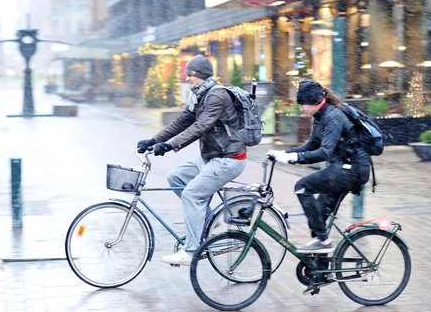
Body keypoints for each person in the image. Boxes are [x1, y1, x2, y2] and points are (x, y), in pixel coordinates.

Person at [136, 54, 247, 266]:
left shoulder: (216, 96)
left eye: (191, 75)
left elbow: (200, 126)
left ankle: (192, 250)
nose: (187, 78)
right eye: (187, 74)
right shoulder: (199, 95)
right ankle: (208, 223)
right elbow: (182, 121)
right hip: (212, 157)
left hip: (229, 159)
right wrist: (153, 140)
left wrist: (170, 146)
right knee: (176, 177)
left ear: (203, 76)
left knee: (191, 195)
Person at [267, 81, 371, 253]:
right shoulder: (320, 117)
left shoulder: (333, 117)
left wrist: (293, 158)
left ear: (315, 101)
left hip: (352, 170)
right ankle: (321, 269)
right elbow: (311, 146)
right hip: (342, 168)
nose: (301, 108)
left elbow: (324, 153)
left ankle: (322, 240)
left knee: (302, 187)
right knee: (319, 215)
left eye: (303, 104)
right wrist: (283, 153)